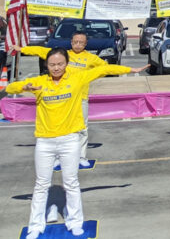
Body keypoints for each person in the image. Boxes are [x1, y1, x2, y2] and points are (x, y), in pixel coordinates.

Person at [4, 48, 147, 239]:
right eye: (52, 64)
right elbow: (10, 88)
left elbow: (103, 70)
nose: (56, 68)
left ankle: (75, 222)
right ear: (46, 65)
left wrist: (131, 70)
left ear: (66, 64)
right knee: (41, 185)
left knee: (71, 183)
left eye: (60, 64)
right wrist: (25, 88)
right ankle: (36, 225)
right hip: (45, 141)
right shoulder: (38, 83)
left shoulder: (77, 79)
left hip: (70, 140)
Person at [15, 32, 110, 167]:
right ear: (71, 42)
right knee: (60, 129)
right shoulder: (62, 55)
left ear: (85, 44)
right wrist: (22, 49)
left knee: (82, 129)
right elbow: (41, 51)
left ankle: (81, 157)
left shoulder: (91, 58)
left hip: (80, 99)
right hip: (60, 99)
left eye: (81, 42)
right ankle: (58, 158)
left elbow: (106, 68)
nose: (78, 45)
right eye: (75, 42)